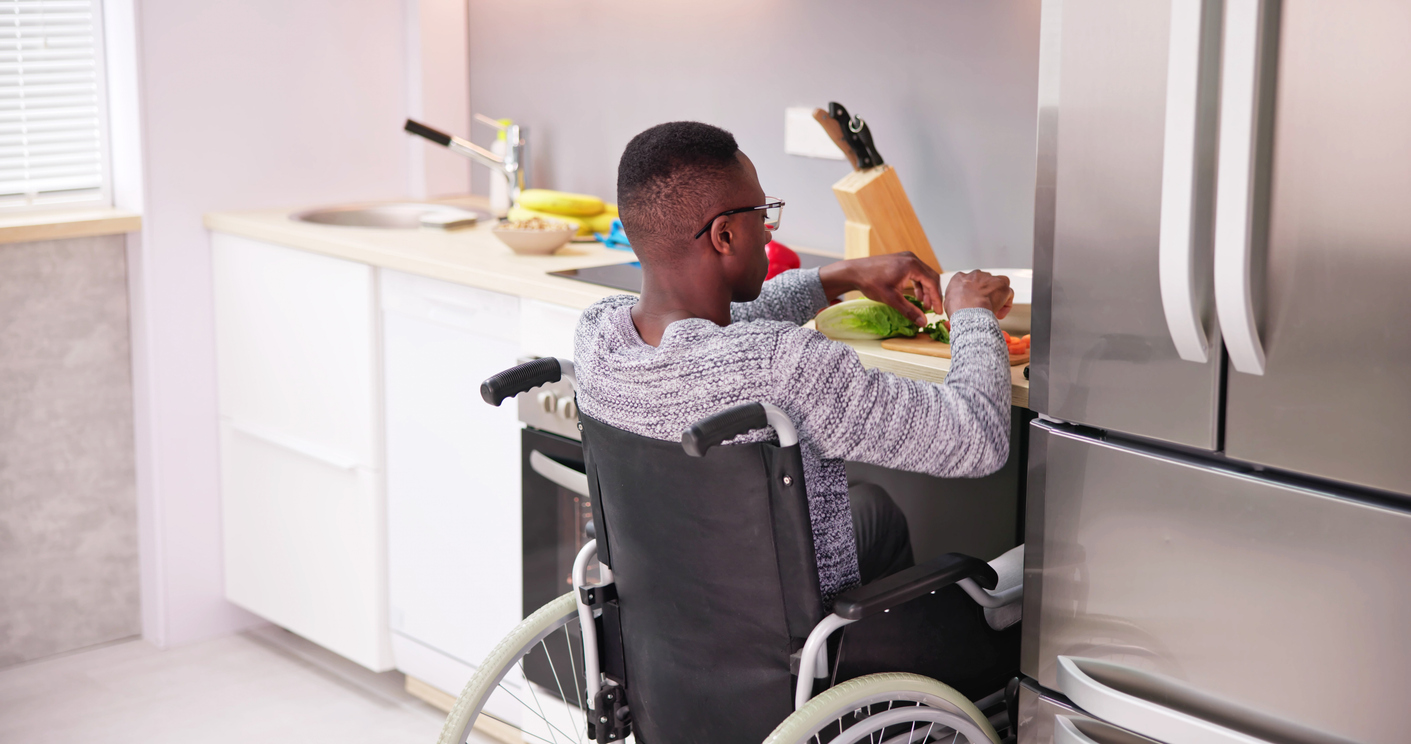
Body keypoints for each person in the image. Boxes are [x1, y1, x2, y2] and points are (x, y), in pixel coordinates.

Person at [573, 121, 1018, 696]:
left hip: (675, 635)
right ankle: (865, 701)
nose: (769, 230)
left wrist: (840, 277)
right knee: (1023, 589)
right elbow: (977, 439)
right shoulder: (786, 366)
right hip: (800, 650)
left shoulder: (598, 335)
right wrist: (971, 312)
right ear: (725, 236)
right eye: (764, 214)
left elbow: (719, 342)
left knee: (875, 512)